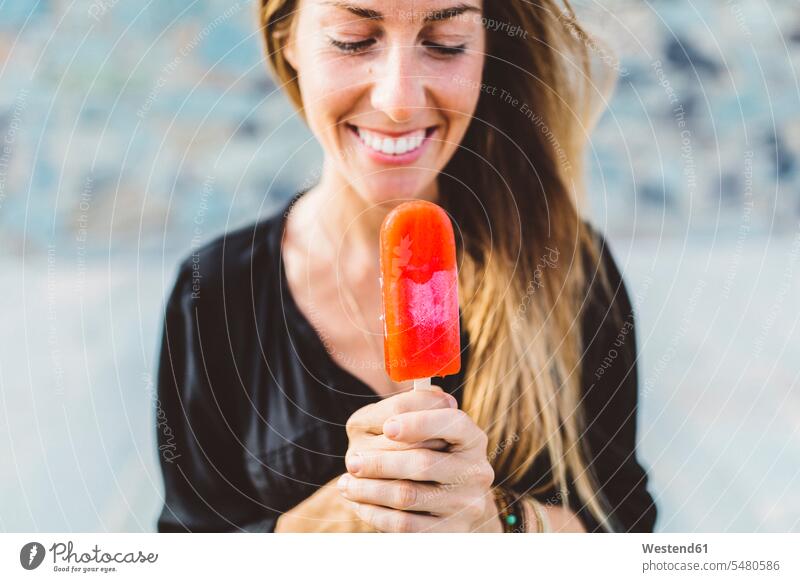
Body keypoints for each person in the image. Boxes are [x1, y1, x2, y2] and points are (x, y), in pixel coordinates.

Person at [155, 0, 658, 533]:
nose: (398, 101)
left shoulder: (568, 271)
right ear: (288, 40)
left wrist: (497, 524)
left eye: (445, 43)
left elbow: (622, 526)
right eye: (353, 39)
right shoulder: (214, 293)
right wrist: (308, 533)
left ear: (486, 48)